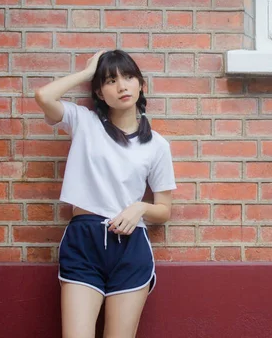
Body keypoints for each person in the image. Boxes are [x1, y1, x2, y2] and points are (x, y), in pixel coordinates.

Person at [34, 49, 177, 338]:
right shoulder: (84, 122)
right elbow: (44, 97)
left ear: (140, 84)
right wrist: (88, 73)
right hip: (83, 242)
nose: (122, 86)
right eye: (110, 80)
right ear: (99, 92)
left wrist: (140, 208)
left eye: (128, 77)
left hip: (130, 245)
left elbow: (164, 209)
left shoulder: (157, 146)